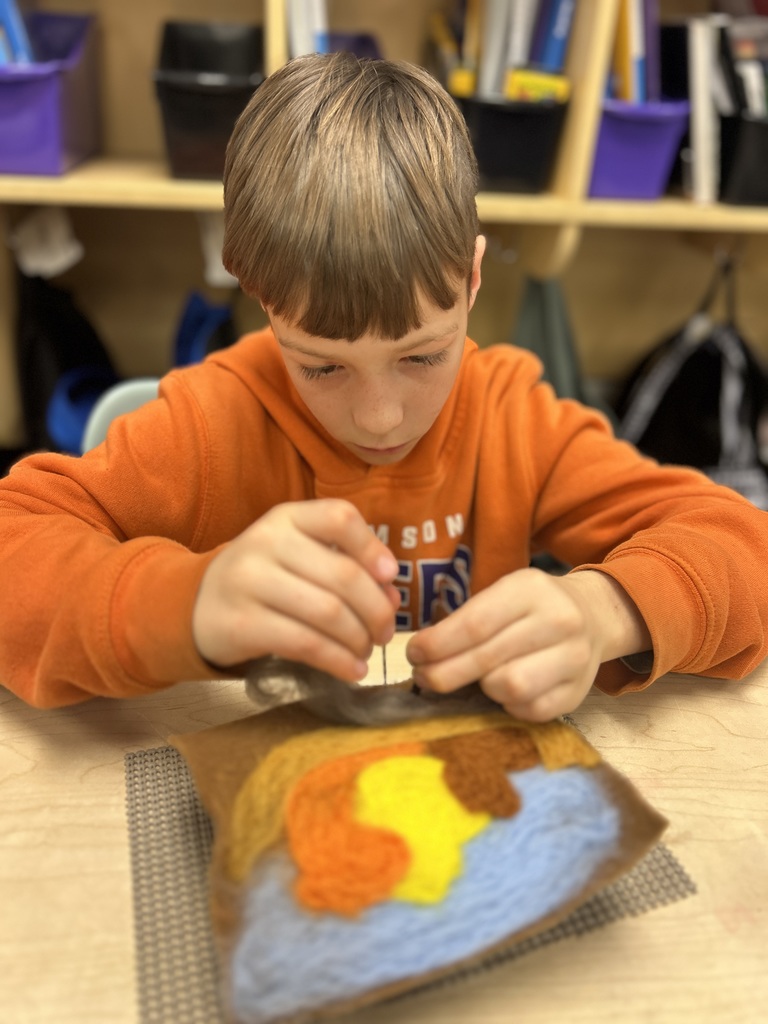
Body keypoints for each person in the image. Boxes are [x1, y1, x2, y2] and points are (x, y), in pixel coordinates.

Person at [1, 52, 767, 720]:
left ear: (470, 278)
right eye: (322, 365)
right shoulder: (212, 424)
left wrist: (604, 610)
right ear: (261, 296)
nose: (379, 417)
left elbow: (744, 547)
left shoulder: (513, 421)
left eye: (422, 357)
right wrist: (187, 603)